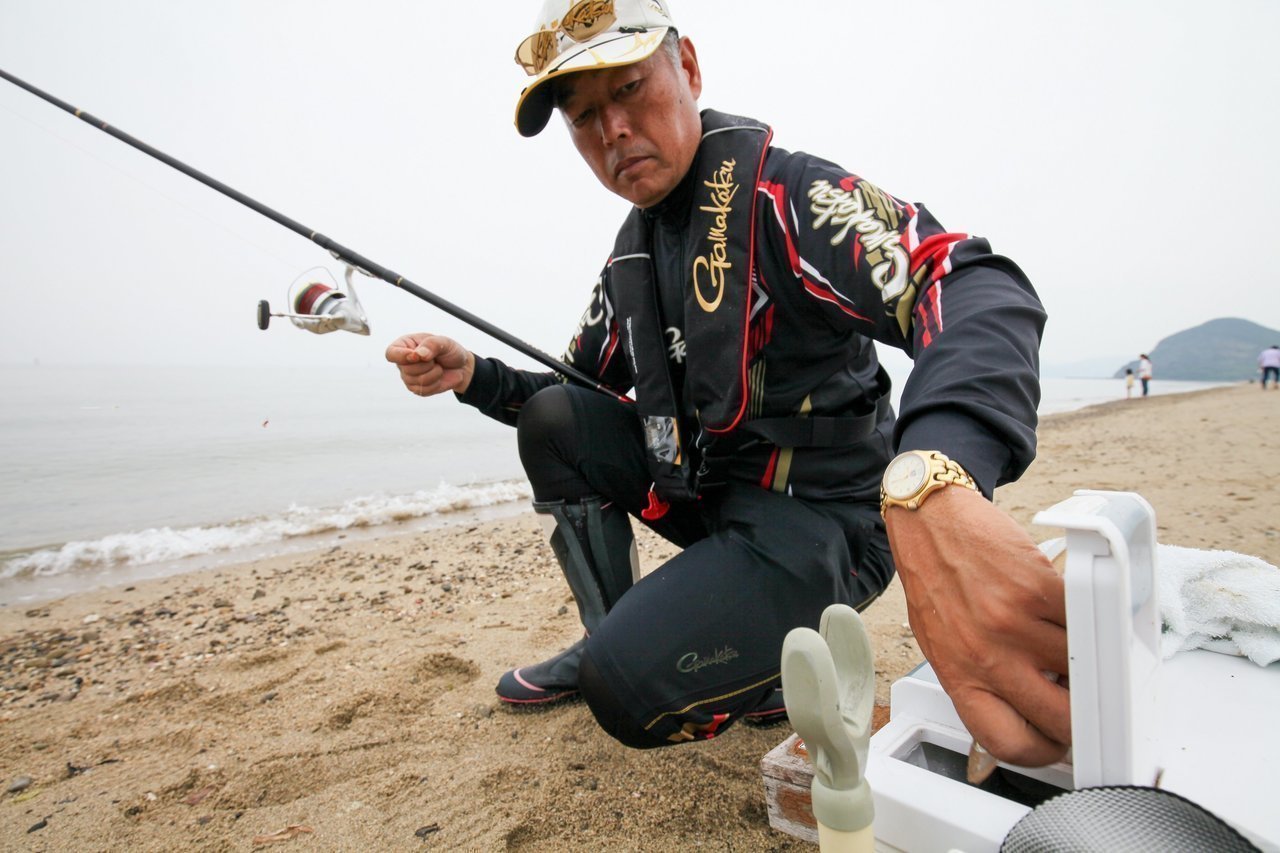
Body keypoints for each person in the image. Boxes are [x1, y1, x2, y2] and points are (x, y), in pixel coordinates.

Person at [386, 0, 1067, 766]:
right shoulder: (629, 261)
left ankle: (748, 655)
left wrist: (939, 476)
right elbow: (578, 390)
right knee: (553, 417)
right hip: (715, 501)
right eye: (583, 116)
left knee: (627, 692)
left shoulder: (789, 201)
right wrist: (473, 376)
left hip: (827, 527)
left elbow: (966, 278)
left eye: (628, 89)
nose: (611, 129)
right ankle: (613, 632)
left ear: (689, 69)